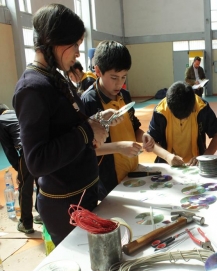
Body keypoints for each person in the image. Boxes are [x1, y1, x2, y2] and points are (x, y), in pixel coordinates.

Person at [12, 4, 116, 246]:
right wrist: (86, 130)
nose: (78, 53)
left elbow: (69, 125)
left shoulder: (54, 77)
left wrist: (95, 124)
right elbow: (36, 161)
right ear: (55, 42)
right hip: (64, 206)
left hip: (82, 194)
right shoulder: (32, 88)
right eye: (75, 45)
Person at [81, 40, 154, 200]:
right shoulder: (89, 101)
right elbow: (86, 149)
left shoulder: (124, 96)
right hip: (108, 180)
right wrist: (118, 147)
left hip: (131, 171)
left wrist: (144, 137)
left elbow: (134, 127)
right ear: (98, 71)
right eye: (114, 77)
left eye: (123, 77)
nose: (119, 83)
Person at [148, 81, 217, 166]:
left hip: (196, 165)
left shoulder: (201, 107)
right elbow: (151, 141)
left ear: (193, 106)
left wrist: (204, 157)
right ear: (169, 107)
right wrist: (168, 156)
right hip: (168, 164)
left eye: (187, 116)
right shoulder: (160, 111)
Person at [0, 104, 41, 233]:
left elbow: (9, 150)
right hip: (43, 144)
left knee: (25, 187)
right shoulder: (16, 113)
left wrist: (19, 170)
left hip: (28, 149)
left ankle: (26, 223)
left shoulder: (1, 121)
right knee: (41, 180)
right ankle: (43, 214)